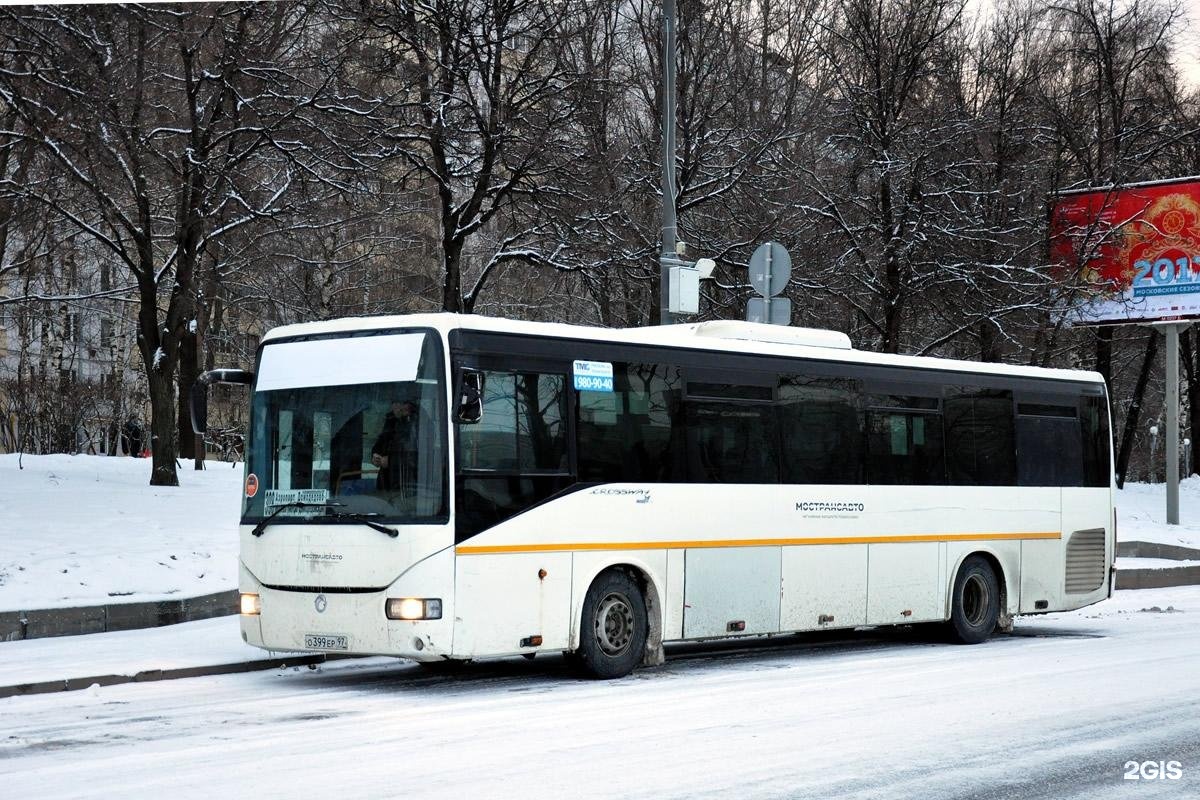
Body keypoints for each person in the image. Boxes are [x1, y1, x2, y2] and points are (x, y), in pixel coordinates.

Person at [371, 400, 419, 492]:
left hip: (408, 484)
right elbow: (380, 442)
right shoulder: (390, 420)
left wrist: (391, 461)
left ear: (407, 405)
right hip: (385, 483)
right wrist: (375, 456)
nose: (395, 407)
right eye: (393, 403)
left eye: (398, 403)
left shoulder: (417, 422)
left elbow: (418, 455)